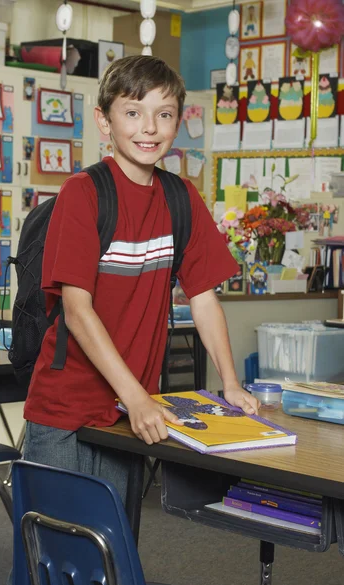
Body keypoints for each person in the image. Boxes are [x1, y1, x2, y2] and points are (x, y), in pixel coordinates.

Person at [23, 55, 259, 503]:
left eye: (163, 114)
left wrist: (230, 381)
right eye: (132, 112)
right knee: (52, 553)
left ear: (176, 122)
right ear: (104, 121)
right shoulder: (84, 193)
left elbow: (204, 298)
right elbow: (77, 311)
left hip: (130, 406)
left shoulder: (181, 197)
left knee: (114, 548)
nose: (149, 127)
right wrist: (136, 398)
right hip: (66, 407)